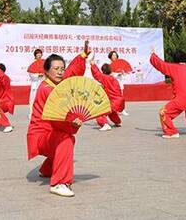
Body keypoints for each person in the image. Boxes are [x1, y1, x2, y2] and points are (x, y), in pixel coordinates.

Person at [27, 42, 90, 197]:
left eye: (62, 68)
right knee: (65, 139)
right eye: (56, 69)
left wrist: (82, 55)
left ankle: (46, 169)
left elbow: (72, 72)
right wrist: (73, 123)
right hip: (41, 135)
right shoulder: (47, 89)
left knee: (64, 137)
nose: (61, 72)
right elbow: (59, 118)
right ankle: (59, 182)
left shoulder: (56, 83)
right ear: (46, 71)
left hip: (49, 133)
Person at [149, 48, 186, 138]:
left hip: (182, 97)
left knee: (163, 112)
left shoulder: (174, 67)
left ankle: (171, 132)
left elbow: (161, 65)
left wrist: (153, 55)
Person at [88, 57, 124, 131]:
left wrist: (93, 64)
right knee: (111, 111)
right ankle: (118, 122)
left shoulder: (104, 78)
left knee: (100, 111)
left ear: (103, 71)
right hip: (119, 100)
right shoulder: (113, 78)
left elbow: (97, 74)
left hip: (113, 100)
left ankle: (105, 124)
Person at [108, 51, 129, 116]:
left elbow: (125, 74)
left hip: (119, 83)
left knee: (121, 98)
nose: (114, 57)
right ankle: (113, 110)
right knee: (113, 98)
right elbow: (109, 74)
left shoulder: (120, 64)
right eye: (113, 55)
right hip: (112, 84)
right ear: (110, 57)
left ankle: (122, 110)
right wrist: (116, 74)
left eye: (115, 55)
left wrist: (123, 73)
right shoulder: (109, 65)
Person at [28, 49, 45, 114]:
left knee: (43, 99)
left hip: (43, 83)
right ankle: (32, 113)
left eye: (40, 53)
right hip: (35, 84)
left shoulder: (45, 62)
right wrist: (38, 75)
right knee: (33, 99)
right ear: (35, 55)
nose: (39, 55)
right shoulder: (33, 64)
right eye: (37, 53)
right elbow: (31, 74)